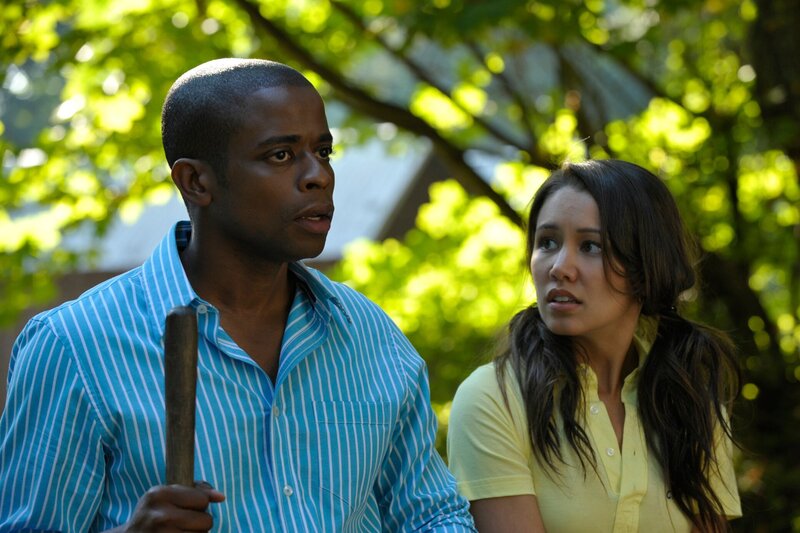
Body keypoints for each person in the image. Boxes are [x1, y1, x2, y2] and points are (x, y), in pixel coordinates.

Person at [0, 58, 476, 532]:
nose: (319, 176)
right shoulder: (76, 346)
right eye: (281, 155)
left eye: (324, 151)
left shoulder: (368, 335)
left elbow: (431, 514)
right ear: (196, 182)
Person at [447, 159, 742, 532]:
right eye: (547, 242)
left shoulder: (692, 401)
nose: (559, 267)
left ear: (646, 265)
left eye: (590, 246)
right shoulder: (494, 398)